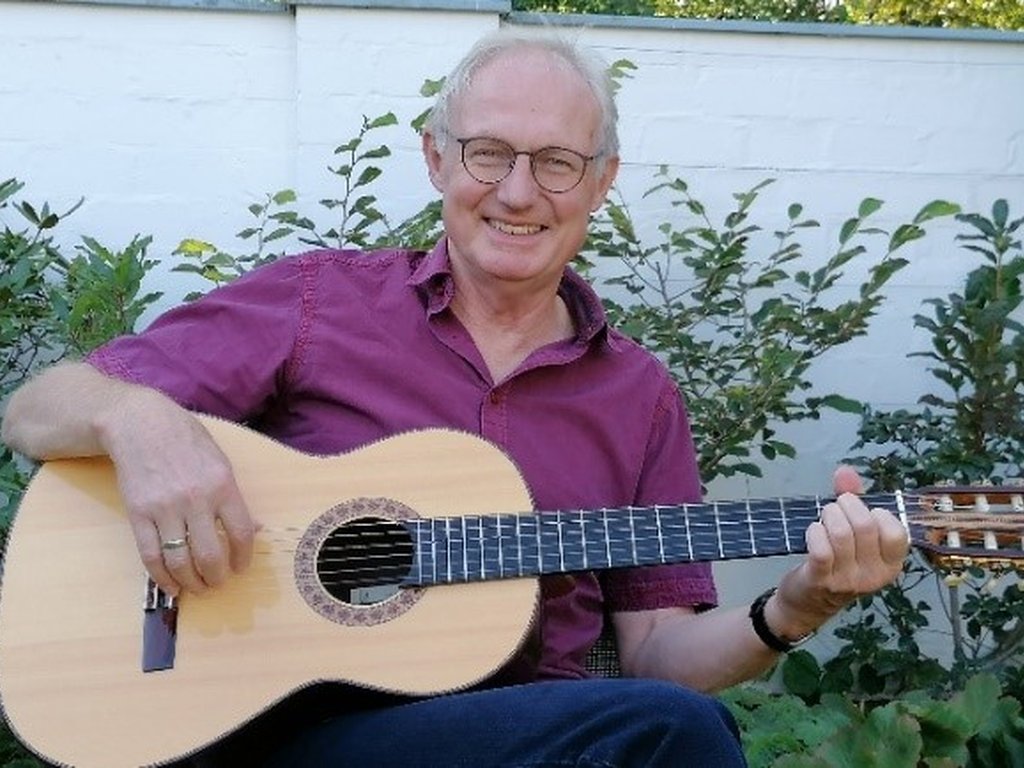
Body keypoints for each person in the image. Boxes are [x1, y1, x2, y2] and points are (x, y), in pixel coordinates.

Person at [1, 30, 908, 768]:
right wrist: (138, 418)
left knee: (670, 727)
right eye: (488, 153)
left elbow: (657, 657)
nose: (518, 192)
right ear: (436, 157)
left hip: (523, 742)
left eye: (557, 162)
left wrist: (795, 608)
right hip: (273, 727)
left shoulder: (640, 396)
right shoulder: (319, 304)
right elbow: (36, 409)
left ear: (602, 181)